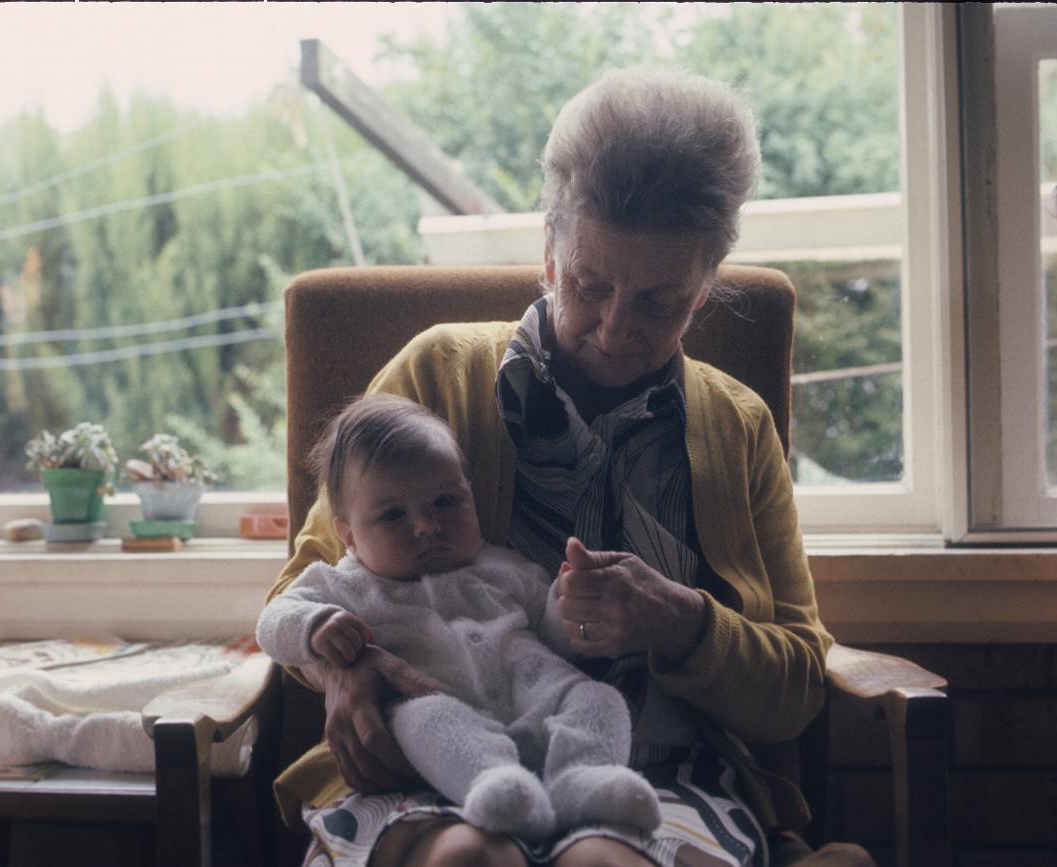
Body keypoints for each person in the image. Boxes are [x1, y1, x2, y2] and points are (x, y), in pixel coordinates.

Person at [270, 65, 844, 867]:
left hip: (656, 775)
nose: (614, 327)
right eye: (590, 284)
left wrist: (683, 622)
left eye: (657, 302)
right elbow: (306, 589)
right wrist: (353, 661)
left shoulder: (738, 428)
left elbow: (795, 691)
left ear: (705, 291)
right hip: (428, 762)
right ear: (549, 254)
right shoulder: (434, 375)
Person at [255, 393, 661, 842]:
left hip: (534, 691)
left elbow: (554, 638)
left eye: (446, 502)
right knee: (425, 722)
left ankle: (583, 780)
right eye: (393, 514)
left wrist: (565, 602)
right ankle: (495, 786)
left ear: (471, 493)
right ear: (349, 536)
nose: (427, 525)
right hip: (438, 704)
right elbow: (273, 620)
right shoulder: (343, 584)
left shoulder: (504, 565)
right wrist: (315, 626)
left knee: (598, 700)